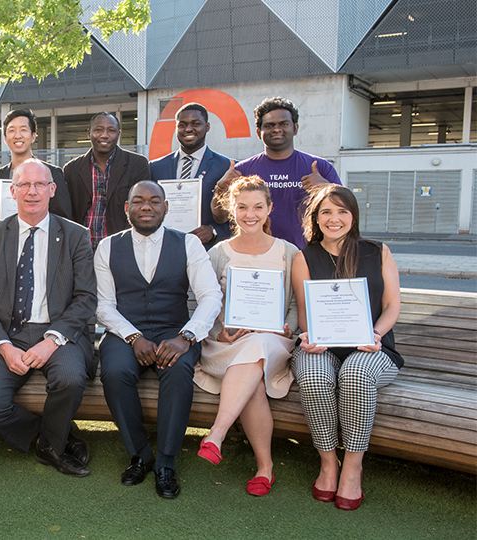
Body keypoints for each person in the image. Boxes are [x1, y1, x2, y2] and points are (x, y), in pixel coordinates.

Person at [95, 181, 221, 498]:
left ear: (166, 207)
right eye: (138, 201)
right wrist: (132, 336)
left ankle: (165, 462)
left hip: (174, 330)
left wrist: (187, 336)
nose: (146, 206)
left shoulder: (189, 244)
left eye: (154, 201)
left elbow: (210, 296)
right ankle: (139, 454)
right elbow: (103, 304)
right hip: (125, 331)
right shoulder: (107, 247)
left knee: (178, 371)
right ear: (127, 209)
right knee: (114, 372)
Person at [0, 159, 97, 478]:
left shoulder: (76, 236)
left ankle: (52, 450)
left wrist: (52, 341)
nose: (32, 191)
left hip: (58, 332)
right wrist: (3, 346)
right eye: (25, 185)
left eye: (40, 184)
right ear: (12, 191)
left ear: (52, 190)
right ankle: (52, 436)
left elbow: (86, 298)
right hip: (8, 334)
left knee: (69, 377)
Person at [291, 184, 402, 511]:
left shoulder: (377, 251)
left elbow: (392, 304)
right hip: (321, 347)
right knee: (313, 377)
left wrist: (376, 334)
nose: (334, 218)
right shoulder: (304, 256)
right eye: (326, 211)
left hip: (372, 347)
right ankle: (328, 463)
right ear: (316, 217)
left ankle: (353, 466)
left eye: (342, 211)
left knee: (354, 374)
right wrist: (309, 334)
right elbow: (303, 311)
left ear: (353, 216)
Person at [193, 176, 298, 496]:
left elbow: (294, 304)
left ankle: (217, 434)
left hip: (274, 341)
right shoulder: (217, 252)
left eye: (257, 207)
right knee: (251, 371)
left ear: (269, 209)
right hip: (226, 344)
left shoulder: (288, 252)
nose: (249, 214)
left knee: (258, 345)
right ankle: (265, 468)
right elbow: (200, 300)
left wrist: (286, 327)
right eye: (241, 207)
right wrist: (217, 331)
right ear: (231, 210)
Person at [212, 97, 340, 249]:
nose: (277, 129)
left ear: (296, 128)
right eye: (269, 125)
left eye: (284, 124)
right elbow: (220, 218)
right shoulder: (242, 170)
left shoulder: (320, 168)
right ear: (259, 132)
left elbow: (345, 212)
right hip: (256, 256)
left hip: (308, 256)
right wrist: (221, 187)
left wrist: (325, 189)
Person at [148, 102, 233, 249]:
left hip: (207, 250)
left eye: (196, 124)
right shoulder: (155, 167)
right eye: (182, 125)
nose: (188, 129)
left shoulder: (226, 167)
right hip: (164, 249)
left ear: (207, 127)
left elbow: (237, 214)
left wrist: (214, 231)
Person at [64, 112, 150, 249]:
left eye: (111, 130)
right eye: (99, 130)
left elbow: (141, 209)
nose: (105, 135)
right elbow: (68, 214)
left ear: (119, 134)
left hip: (122, 247)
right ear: (89, 133)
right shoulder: (71, 169)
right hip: (83, 249)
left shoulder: (137, 164)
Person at [0, 109, 72, 228]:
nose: (18, 135)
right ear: (5, 138)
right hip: (4, 244)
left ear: (33, 136)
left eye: (23, 130)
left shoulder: (52, 174)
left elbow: (64, 219)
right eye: (12, 130)